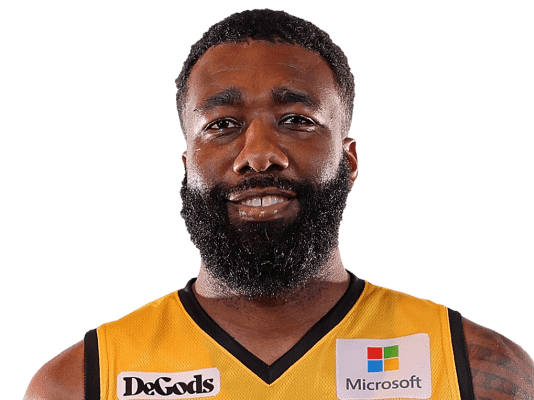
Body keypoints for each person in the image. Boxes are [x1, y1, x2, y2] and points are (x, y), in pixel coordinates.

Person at [24, 8, 533, 400]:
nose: (259, 155)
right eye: (222, 124)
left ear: (349, 160)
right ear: (187, 164)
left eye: (296, 120)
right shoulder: (80, 384)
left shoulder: (471, 370)